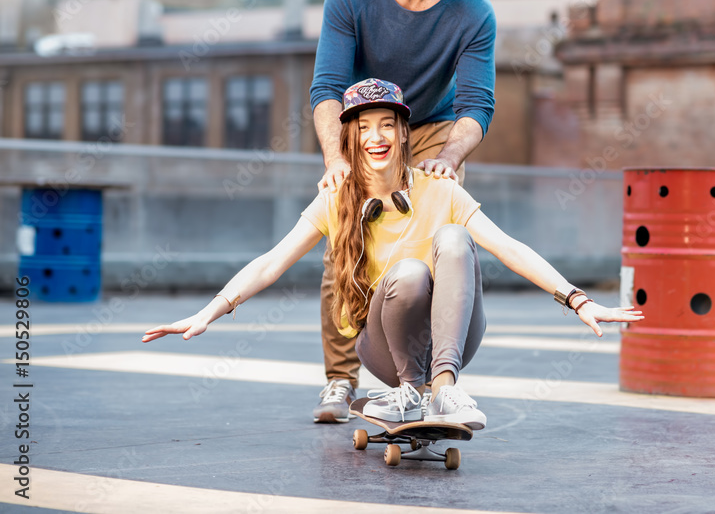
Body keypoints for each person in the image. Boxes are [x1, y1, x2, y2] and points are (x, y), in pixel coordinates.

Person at [142, 79, 643, 428]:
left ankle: (444, 389)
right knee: (407, 271)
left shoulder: (440, 189)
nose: (376, 136)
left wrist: (579, 300)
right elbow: (272, 261)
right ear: (351, 138)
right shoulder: (337, 199)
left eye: (387, 124)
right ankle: (407, 388)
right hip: (383, 346)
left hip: (452, 341)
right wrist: (209, 312)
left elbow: (509, 247)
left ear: (404, 132)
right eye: (364, 127)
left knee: (454, 239)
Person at [308, 0, 497, 423]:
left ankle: (435, 379)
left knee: (443, 236)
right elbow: (327, 88)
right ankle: (341, 380)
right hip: (365, 120)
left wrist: (453, 156)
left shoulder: (474, 11)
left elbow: (476, 104)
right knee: (346, 234)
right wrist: (336, 160)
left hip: (436, 124)